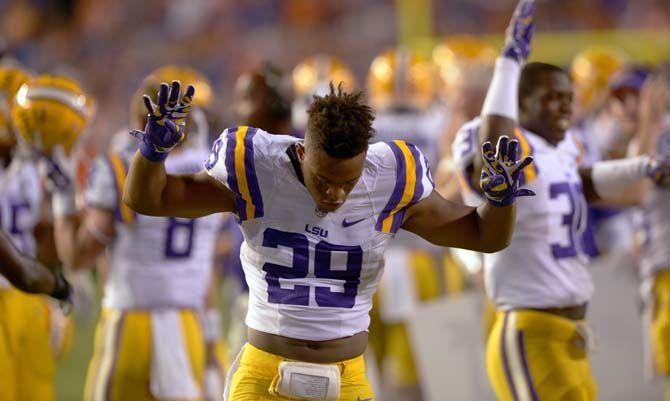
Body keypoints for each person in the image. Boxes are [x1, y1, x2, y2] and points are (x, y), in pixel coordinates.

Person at [123, 38, 534, 399]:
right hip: (264, 374)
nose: (335, 193)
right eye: (323, 179)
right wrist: (153, 154)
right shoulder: (258, 167)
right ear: (302, 152)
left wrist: (501, 202)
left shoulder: (389, 178)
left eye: (348, 182)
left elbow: (484, 236)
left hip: (347, 377)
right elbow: (149, 198)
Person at [459, 1, 670, 400]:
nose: (565, 107)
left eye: (567, 97)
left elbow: (592, 182)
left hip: (571, 333)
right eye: (551, 98)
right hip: (528, 327)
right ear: (520, 106)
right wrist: (509, 64)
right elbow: (491, 153)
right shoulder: (505, 142)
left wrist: (646, 167)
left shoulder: (563, 151)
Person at [39, 66, 225, 401]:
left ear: (142, 120)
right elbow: (206, 268)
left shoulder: (120, 166)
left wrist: (63, 202)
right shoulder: (212, 169)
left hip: (132, 324)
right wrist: (212, 346)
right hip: (190, 326)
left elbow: (77, 257)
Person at [1, 66, 80, 401]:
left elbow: (46, 240)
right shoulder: (35, 167)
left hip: (28, 293)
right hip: (26, 285)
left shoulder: (34, 167)